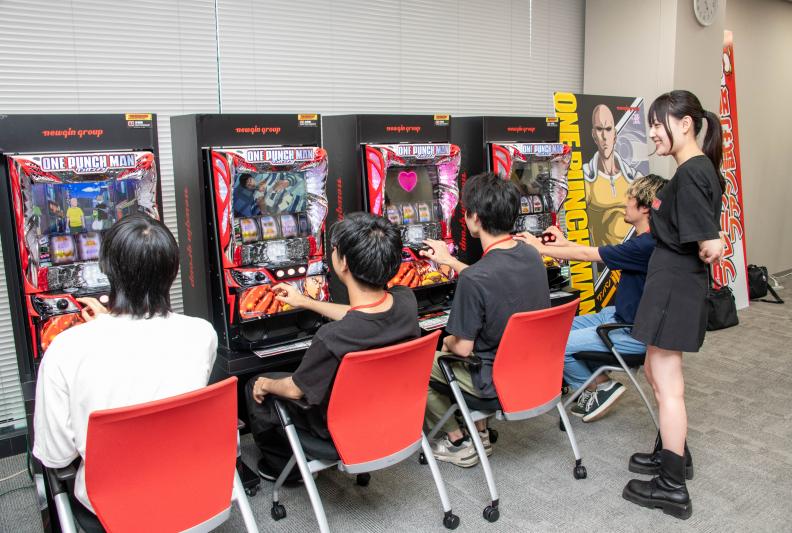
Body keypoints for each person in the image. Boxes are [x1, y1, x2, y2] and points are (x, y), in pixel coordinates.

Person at [32, 214, 217, 532]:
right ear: (173, 271)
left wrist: (102, 326)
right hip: (191, 486)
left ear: (105, 268)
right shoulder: (202, 333)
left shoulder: (66, 349)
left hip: (111, 505)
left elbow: (56, 456)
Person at [245, 212, 419, 482]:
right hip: (390, 414)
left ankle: (287, 470)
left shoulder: (332, 337)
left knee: (255, 384)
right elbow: (361, 314)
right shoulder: (406, 302)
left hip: (336, 428)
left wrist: (265, 384)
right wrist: (307, 302)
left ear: (344, 262)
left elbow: (294, 389)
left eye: (335, 249)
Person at [621, 90, 724, 520]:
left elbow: (708, 239)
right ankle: (673, 452)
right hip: (670, 282)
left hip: (674, 286)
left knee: (668, 384)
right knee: (654, 371)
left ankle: (671, 486)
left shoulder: (694, 171)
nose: (652, 133)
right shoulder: (692, 169)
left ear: (685, 124)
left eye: (658, 124)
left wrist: (714, 242)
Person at [419, 172, 550, 467]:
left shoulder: (475, 279)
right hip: (534, 371)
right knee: (484, 341)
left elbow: (462, 348)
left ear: (475, 218)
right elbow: (495, 279)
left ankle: (457, 441)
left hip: (494, 379)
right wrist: (450, 262)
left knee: (421, 364)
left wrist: (446, 340)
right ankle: (481, 433)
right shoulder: (532, 255)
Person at [515, 174, 667, 422]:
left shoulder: (646, 245)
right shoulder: (646, 240)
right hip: (618, 316)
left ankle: (599, 385)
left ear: (645, 207)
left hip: (632, 332)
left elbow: (589, 256)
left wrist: (539, 248)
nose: (625, 202)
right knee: (552, 329)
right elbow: (596, 252)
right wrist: (563, 243)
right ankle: (597, 383)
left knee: (555, 344)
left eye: (630, 197)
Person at [583, 104, 644, 247]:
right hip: (602, 258)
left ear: (615, 134)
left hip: (635, 253)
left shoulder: (635, 177)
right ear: (593, 134)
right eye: (599, 129)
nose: (604, 136)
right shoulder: (585, 178)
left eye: (608, 129)